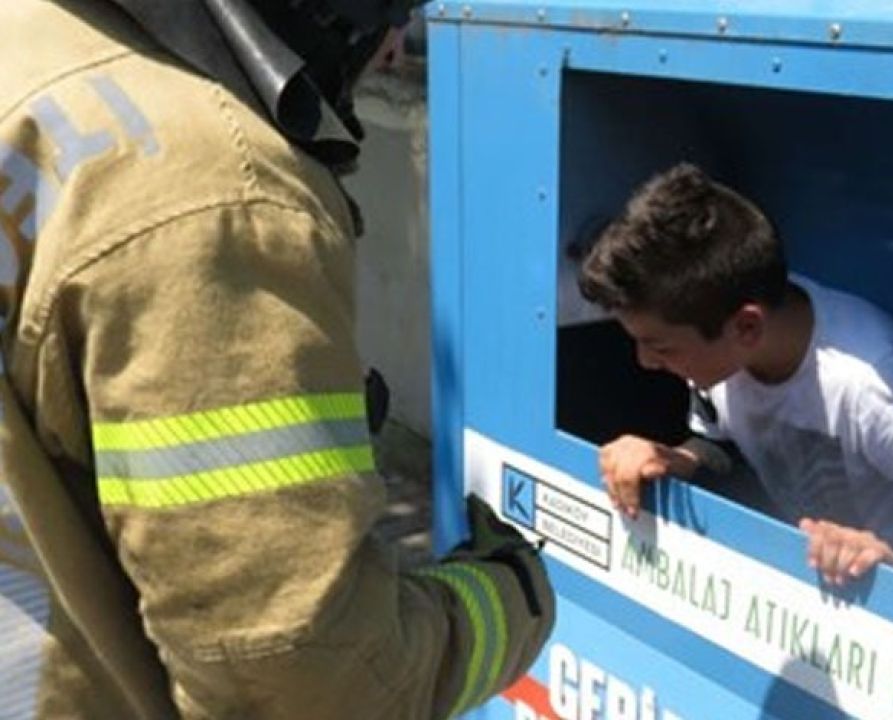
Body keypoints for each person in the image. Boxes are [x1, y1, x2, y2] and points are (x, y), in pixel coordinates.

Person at [0, 1, 553, 717]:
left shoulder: (29, 48)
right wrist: (512, 596)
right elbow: (302, 682)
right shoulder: (211, 194)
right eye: (396, 14)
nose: (394, 50)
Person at [578, 162, 893, 612]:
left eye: (660, 346)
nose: (645, 361)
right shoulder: (719, 347)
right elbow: (725, 446)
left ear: (747, 327)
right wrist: (681, 459)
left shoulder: (874, 386)